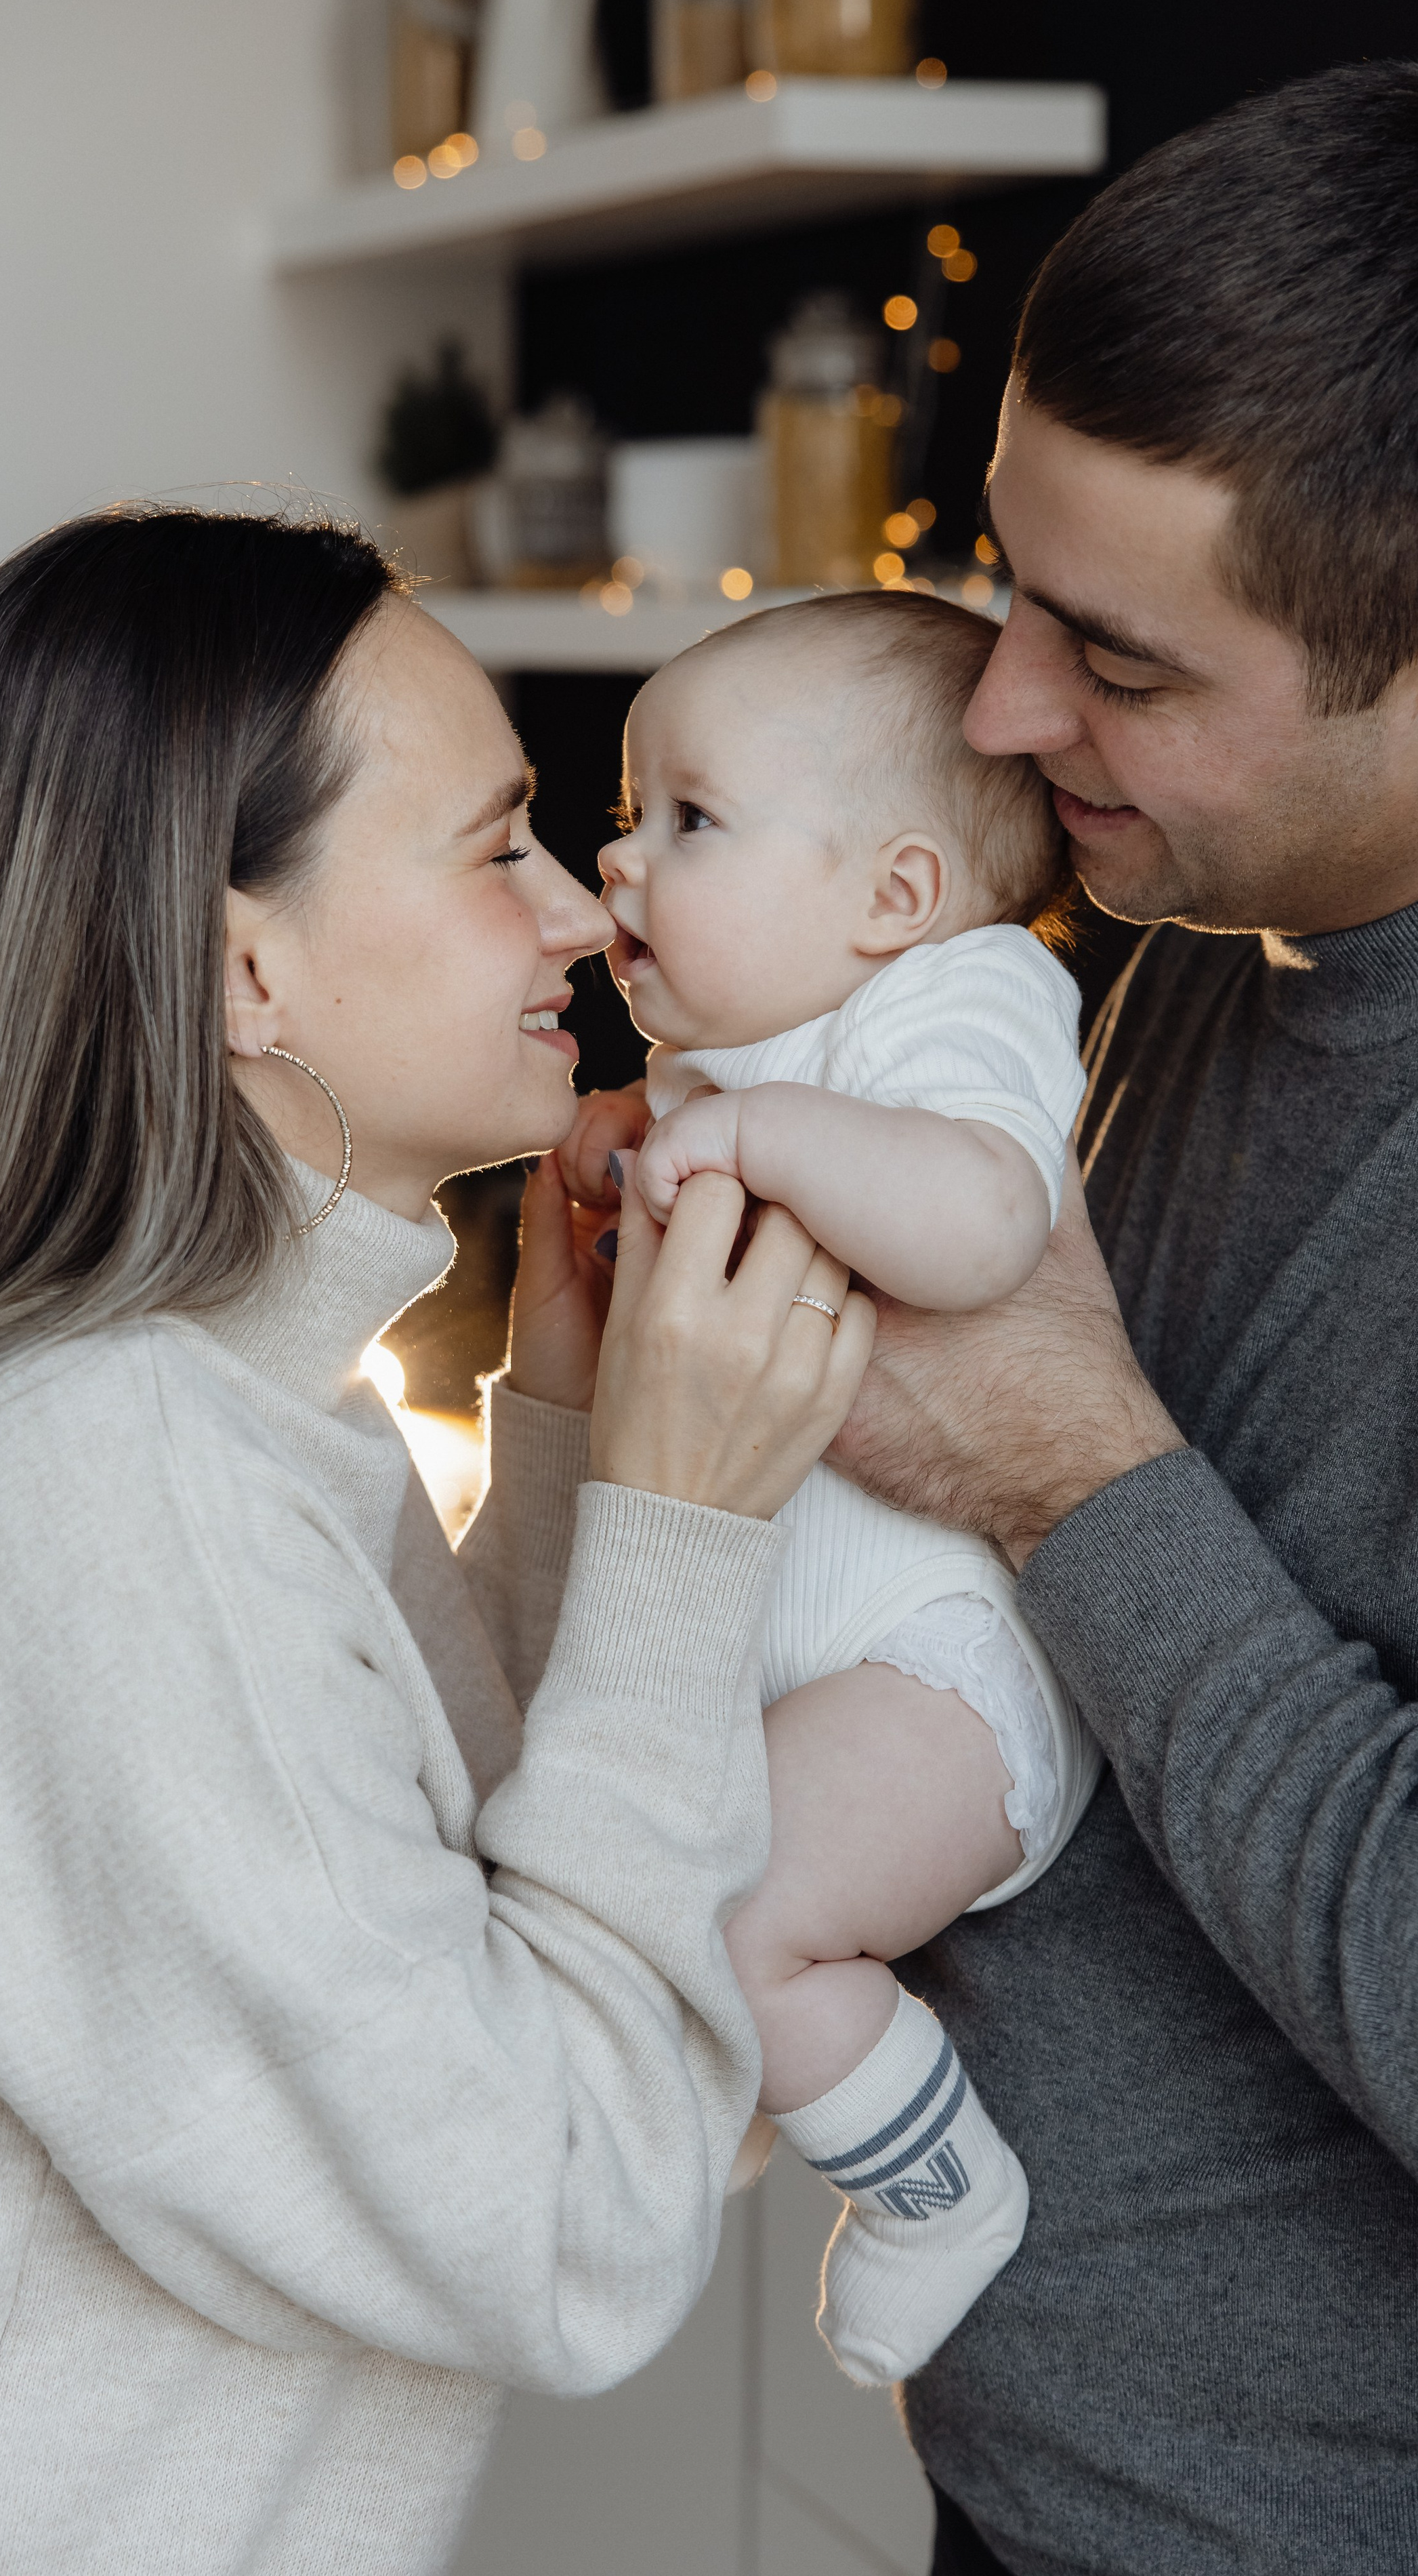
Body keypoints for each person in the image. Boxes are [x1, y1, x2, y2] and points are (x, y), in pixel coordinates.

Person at [0, 505, 873, 2575]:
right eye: (495, 844)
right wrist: (682, 1541)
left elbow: (480, 1913)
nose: (584, 923)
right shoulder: (107, 1481)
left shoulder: (237, 1411)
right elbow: (561, 2221)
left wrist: (583, 1423)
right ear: (244, 964)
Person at [816, 61, 1418, 2576]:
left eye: (1118, 661)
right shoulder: (1195, 931)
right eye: (1004, 587)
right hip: (1023, 2488)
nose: (1001, 715)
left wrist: (1071, 1464)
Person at [581, 591, 1100, 2388]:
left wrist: (749, 1140)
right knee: (662, 1886)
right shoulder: (750, 1043)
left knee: (738, 1912)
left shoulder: (962, 998)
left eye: (688, 820)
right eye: (630, 812)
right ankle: (756, 2080)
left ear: (893, 895)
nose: (621, 859)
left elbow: (979, 1219)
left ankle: (944, 2188)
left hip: (947, 1676)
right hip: (817, 1668)